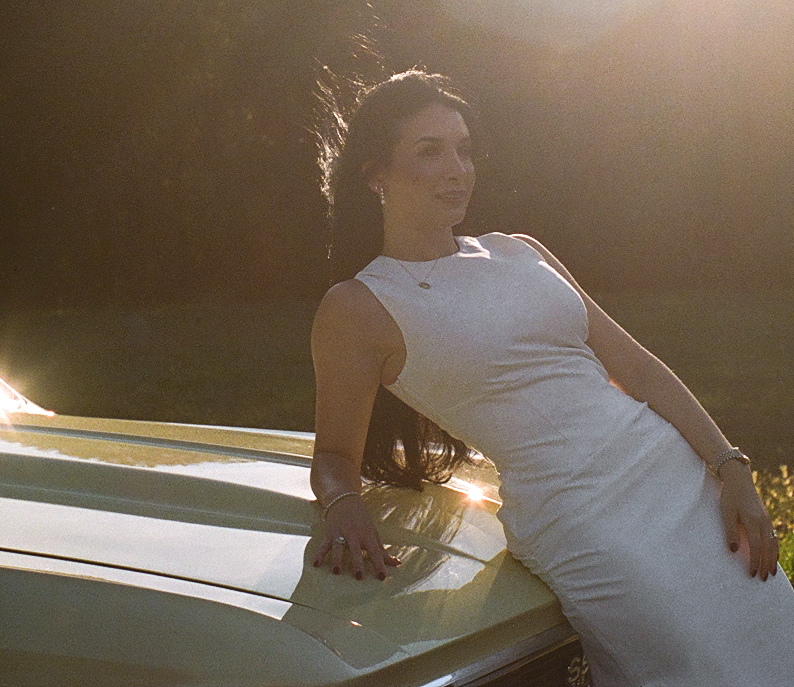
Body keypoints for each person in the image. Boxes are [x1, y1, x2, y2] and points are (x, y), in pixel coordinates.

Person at [309, 70, 794, 686]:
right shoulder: (358, 306)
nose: (458, 168)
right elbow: (331, 454)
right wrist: (344, 506)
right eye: (429, 151)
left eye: (463, 148)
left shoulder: (520, 250)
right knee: (693, 669)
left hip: (676, 478)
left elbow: (638, 367)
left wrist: (729, 467)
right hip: (581, 519)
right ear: (376, 174)